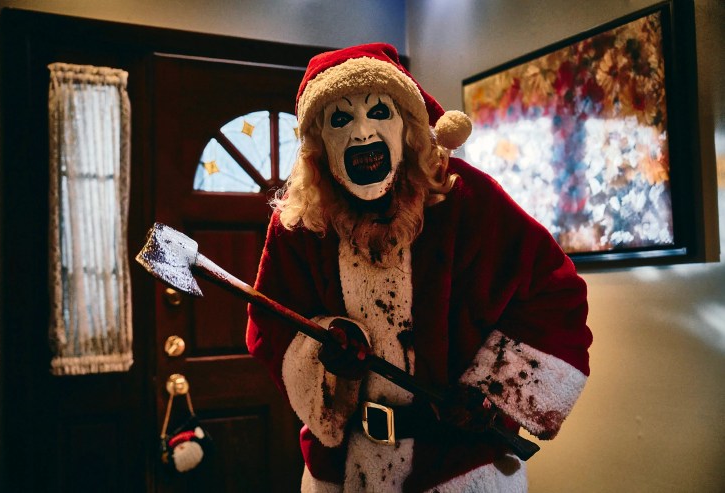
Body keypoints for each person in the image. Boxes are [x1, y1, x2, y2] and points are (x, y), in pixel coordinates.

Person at [246, 43, 592, 493]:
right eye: (340, 119)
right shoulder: (300, 224)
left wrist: (490, 392)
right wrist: (327, 353)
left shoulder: (465, 198)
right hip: (342, 472)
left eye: (378, 112)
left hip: (458, 469)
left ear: (408, 127)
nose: (361, 132)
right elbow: (271, 323)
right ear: (318, 142)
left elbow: (553, 292)